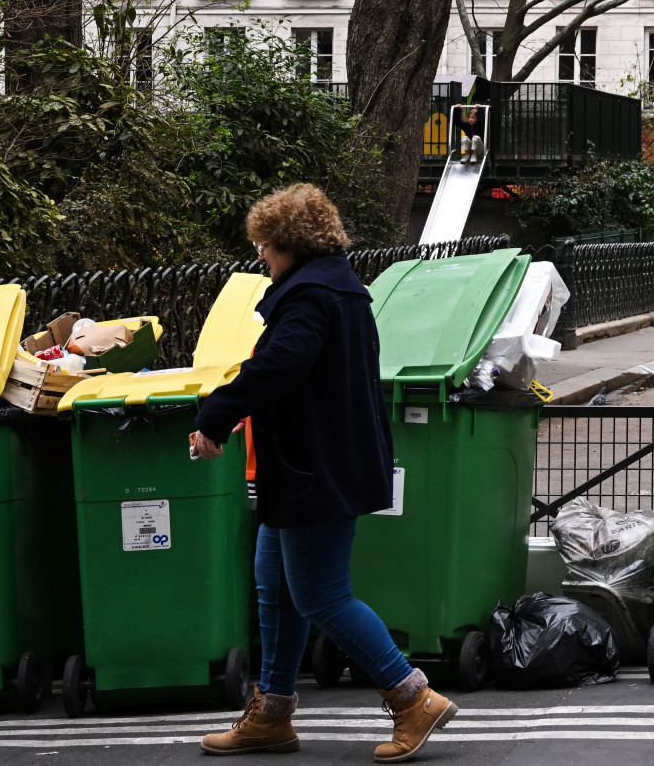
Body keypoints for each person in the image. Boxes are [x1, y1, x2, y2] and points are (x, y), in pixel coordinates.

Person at [192, 185, 457, 761]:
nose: (260, 256)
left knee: (320, 596)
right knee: (277, 587)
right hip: (312, 464)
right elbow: (294, 374)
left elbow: (281, 364)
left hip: (315, 468)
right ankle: (272, 714)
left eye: (263, 245)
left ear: (289, 244)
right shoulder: (333, 288)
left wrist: (217, 413)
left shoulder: (311, 296)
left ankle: (414, 698)